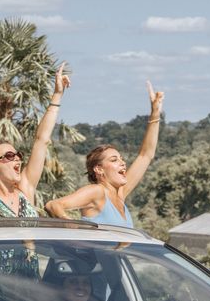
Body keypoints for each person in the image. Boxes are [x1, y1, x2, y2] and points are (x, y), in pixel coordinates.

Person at [45, 81, 164, 227]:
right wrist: (76, 230)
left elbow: (146, 155)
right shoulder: (97, 192)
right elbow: (53, 205)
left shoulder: (119, 195)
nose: (122, 162)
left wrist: (155, 113)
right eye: (114, 160)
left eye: (121, 159)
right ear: (99, 169)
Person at [0, 63, 71, 218]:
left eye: (18, 155)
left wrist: (57, 94)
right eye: (9, 156)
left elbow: (42, 140)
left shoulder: (25, 191)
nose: (17, 159)